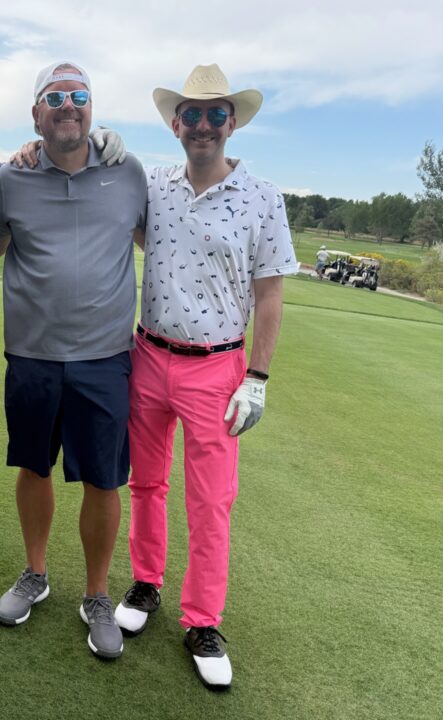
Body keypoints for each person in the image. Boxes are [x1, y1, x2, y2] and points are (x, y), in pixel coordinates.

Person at [111, 64, 298, 688]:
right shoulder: (155, 185)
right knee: (146, 483)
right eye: (191, 114)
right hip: (148, 355)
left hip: (216, 366)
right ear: (175, 124)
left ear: (232, 122)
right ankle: (144, 584)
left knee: (212, 501)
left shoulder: (262, 197)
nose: (203, 125)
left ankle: (202, 619)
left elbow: (269, 295)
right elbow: (110, 201)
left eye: (215, 114)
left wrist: (259, 376)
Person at [0, 61, 146, 661]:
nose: (67, 105)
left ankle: (97, 595)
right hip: (32, 354)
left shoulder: (128, 172)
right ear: (36, 114)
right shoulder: (12, 177)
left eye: (79, 96)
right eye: (55, 97)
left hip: (105, 358)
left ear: (92, 108)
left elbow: (161, 240)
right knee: (34, 467)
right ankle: (35, 573)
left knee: (104, 480)